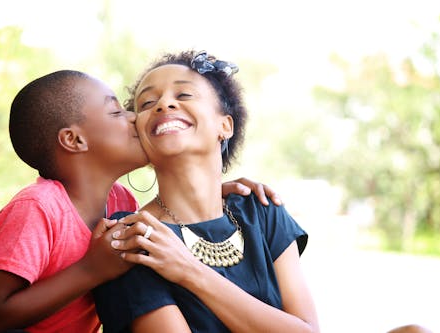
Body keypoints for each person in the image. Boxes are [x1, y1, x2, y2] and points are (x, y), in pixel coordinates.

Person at [0, 70, 281, 333]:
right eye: (116, 111)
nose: (133, 118)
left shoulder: (119, 201)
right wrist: (92, 270)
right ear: (74, 139)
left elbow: (167, 207)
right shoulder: (37, 208)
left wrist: (210, 190)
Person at [93, 50, 320, 332]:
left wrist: (190, 271)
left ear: (225, 126)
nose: (164, 104)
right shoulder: (133, 236)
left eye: (184, 95)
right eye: (147, 102)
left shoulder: (261, 210)